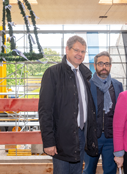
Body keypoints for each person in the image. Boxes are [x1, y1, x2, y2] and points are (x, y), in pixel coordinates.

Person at [38, 35, 98, 174]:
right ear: (67, 49)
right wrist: (48, 142)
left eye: (83, 51)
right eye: (76, 50)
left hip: (81, 135)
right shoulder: (52, 73)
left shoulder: (85, 74)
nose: (80, 54)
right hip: (61, 138)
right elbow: (45, 110)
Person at [83, 51, 123, 174]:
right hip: (92, 137)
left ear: (110, 66)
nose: (104, 67)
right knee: (89, 170)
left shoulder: (117, 85)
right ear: (95, 66)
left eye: (107, 64)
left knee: (110, 171)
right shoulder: (87, 85)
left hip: (111, 139)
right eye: (100, 63)